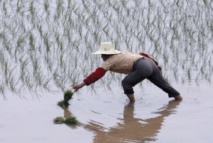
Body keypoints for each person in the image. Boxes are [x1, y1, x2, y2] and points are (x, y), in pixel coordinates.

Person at [72, 42, 182, 103]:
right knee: (164, 85)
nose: (101, 57)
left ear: (105, 55)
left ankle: (132, 104)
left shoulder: (110, 61)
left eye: (101, 55)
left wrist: (81, 85)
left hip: (142, 67)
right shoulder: (123, 53)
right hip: (150, 63)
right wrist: (156, 64)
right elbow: (142, 54)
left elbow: (98, 74)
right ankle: (179, 99)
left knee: (126, 83)